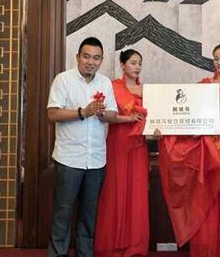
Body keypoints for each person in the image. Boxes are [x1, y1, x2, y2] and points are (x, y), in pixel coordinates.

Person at [159, 41, 220, 256]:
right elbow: (191, 115)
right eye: (216, 59)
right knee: (208, 188)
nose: (219, 63)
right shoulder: (203, 83)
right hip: (209, 140)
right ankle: (208, 246)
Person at [47, 37, 118, 257]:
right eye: (86, 56)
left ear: (101, 60)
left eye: (96, 58)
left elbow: (113, 115)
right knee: (63, 213)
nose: (91, 62)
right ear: (77, 57)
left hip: (96, 160)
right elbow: (52, 113)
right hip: (69, 158)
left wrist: (101, 113)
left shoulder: (105, 83)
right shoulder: (63, 80)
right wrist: (83, 112)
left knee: (89, 215)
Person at [94, 49, 148, 256]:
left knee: (136, 192)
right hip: (117, 143)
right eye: (133, 62)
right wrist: (128, 119)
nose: (137, 67)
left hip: (138, 145)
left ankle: (134, 246)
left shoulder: (146, 90)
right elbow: (104, 115)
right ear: (122, 65)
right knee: (115, 190)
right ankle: (111, 245)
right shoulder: (113, 87)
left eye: (139, 63)